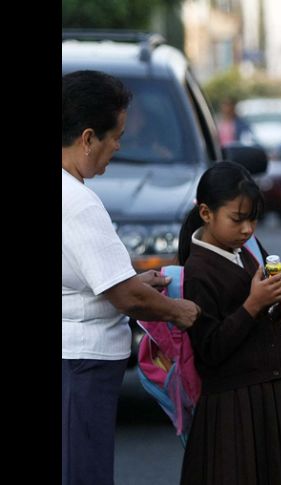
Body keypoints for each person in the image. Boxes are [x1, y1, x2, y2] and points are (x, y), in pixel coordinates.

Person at [62, 70, 201, 485]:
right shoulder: (79, 204)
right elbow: (126, 298)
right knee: (82, 471)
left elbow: (89, 279)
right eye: (115, 136)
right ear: (88, 138)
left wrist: (137, 285)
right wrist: (178, 310)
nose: (118, 147)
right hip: (82, 363)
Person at [177, 161, 281, 485]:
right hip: (233, 404)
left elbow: (260, 315)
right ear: (206, 213)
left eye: (253, 219)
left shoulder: (244, 251)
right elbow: (210, 350)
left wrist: (280, 299)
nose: (247, 229)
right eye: (237, 219)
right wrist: (254, 303)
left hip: (274, 391)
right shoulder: (199, 270)